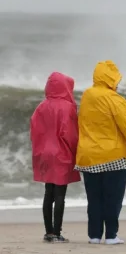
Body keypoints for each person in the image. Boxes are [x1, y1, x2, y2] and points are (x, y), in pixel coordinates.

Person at [75, 60, 126, 245]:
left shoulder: (87, 95)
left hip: (88, 156)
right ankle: (111, 235)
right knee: (112, 198)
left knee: (94, 198)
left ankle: (94, 236)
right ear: (111, 79)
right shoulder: (116, 100)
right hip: (113, 156)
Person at [30, 72, 81, 243]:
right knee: (60, 194)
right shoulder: (68, 107)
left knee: (48, 193)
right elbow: (71, 135)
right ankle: (57, 233)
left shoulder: (41, 106)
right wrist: (76, 152)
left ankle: (48, 232)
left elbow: (34, 131)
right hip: (61, 153)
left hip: (44, 153)